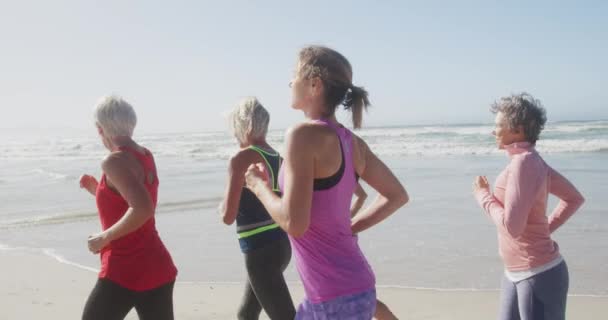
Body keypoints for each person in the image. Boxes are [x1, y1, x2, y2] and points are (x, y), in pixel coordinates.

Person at [245, 45, 409, 319]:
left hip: (333, 298)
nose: (289, 83)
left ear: (314, 84)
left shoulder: (302, 135)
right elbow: (397, 195)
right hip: (352, 288)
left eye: (293, 76)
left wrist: (258, 187)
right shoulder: (352, 143)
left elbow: (294, 224)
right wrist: (351, 226)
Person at [472, 93, 585, 320]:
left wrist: (483, 195)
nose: (493, 132)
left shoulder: (525, 163)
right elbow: (573, 198)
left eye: (498, 126)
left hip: (538, 274)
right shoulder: (531, 161)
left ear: (518, 129)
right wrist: (544, 230)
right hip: (515, 273)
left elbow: (512, 226)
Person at [79, 95, 178, 320]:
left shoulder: (113, 161)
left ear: (100, 128)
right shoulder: (144, 155)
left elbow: (143, 209)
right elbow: (131, 200)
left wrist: (105, 237)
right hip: (157, 267)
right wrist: (98, 190)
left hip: (125, 268)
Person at [218, 97, 295, 319]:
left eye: (234, 128)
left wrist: (221, 205)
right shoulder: (278, 158)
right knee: (246, 313)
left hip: (259, 252)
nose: (234, 134)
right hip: (281, 246)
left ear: (246, 126)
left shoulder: (240, 159)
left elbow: (227, 216)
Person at [351, 183, 398, 320]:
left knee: (364, 300)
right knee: (367, 300)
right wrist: (347, 222)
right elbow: (362, 196)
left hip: (332, 249)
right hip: (346, 247)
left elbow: (361, 196)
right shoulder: (343, 169)